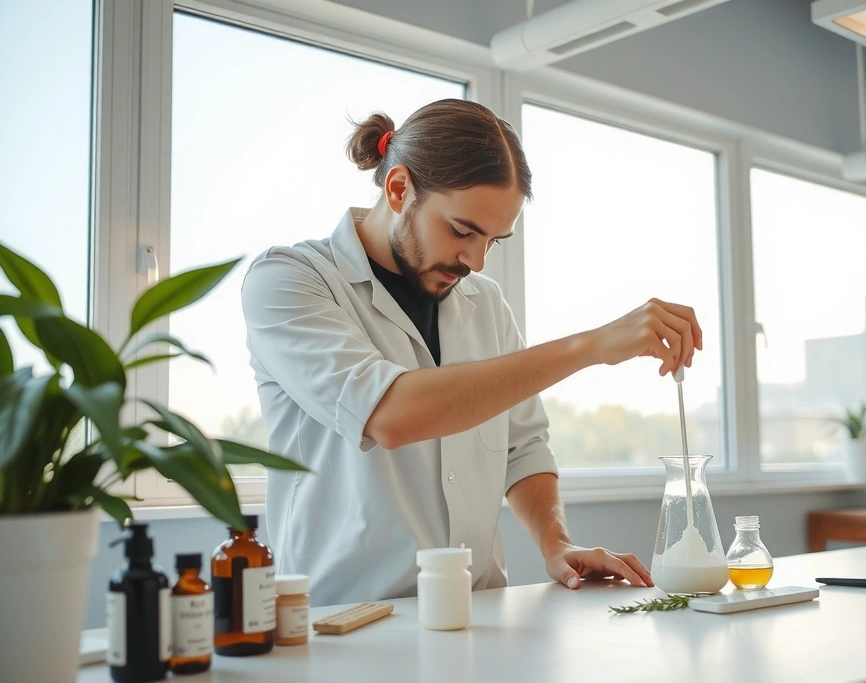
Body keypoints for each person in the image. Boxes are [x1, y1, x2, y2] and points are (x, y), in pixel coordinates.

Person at [241, 98, 702, 608]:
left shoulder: (485, 303)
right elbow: (389, 414)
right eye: (462, 231)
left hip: (476, 616)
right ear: (398, 189)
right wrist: (590, 347)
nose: (475, 261)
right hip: (339, 621)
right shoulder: (289, 281)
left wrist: (556, 543)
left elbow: (522, 447)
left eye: (494, 241)